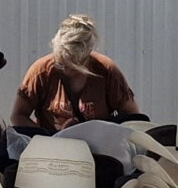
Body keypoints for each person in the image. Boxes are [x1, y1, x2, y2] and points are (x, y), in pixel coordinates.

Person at [11, 14, 139, 132]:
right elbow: (18, 116)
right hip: (51, 145)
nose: (66, 70)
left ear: (86, 58)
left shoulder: (106, 71)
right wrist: (46, 138)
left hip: (96, 146)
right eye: (60, 64)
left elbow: (134, 118)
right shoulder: (40, 71)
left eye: (73, 67)